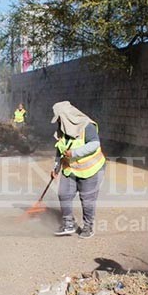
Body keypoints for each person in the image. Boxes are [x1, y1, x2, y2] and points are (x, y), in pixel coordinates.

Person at [50, 101, 106, 239]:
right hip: (71, 169)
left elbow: (94, 144)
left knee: (87, 200)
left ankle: (88, 227)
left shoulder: (87, 126)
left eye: (58, 117)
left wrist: (75, 153)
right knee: (63, 194)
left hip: (91, 169)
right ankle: (68, 223)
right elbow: (60, 149)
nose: (57, 120)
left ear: (66, 116)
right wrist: (56, 167)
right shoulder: (62, 129)